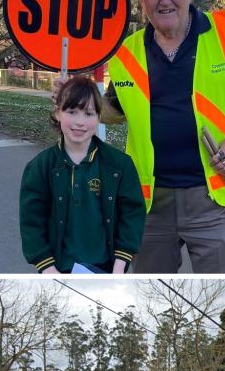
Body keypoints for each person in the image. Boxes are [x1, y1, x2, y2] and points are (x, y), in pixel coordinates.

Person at [57, 0, 225, 273]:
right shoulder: (127, 53)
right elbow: (114, 110)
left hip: (215, 198)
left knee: (223, 298)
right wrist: (73, 100)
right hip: (150, 204)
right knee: (151, 301)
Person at [20, 75, 145, 274]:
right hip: (58, 270)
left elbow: (132, 216)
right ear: (58, 112)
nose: (80, 122)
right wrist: (47, 269)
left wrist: (119, 268)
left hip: (107, 269)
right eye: (72, 112)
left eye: (89, 114)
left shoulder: (120, 165)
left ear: (99, 117)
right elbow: (31, 223)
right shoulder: (39, 167)